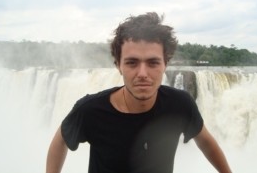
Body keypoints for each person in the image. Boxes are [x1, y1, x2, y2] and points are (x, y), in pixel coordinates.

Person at [46, 12, 232, 173]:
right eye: (132, 62)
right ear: (118, 65)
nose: (142, 74)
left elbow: (206, 141)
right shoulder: (91, 110)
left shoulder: (180, 104)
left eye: (153, 63)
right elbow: (60, 140)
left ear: (165, 64)